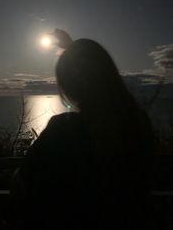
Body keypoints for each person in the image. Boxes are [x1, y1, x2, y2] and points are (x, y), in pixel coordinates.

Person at [12, 29, 155, 230]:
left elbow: (23, 182)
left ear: (69, 86)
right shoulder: (138, 125)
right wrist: (73, 49)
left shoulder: (64, 130)